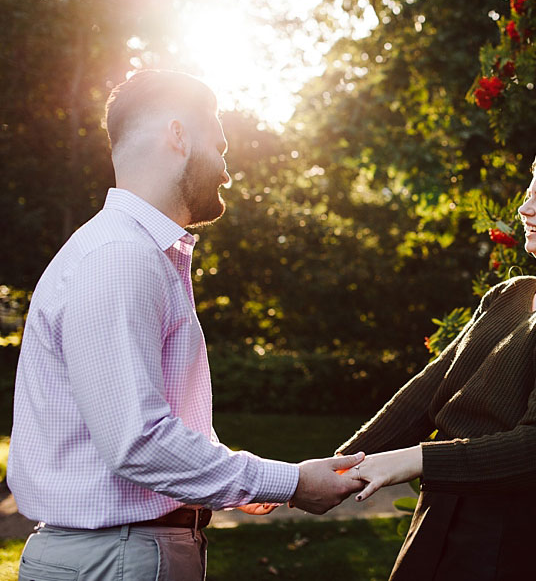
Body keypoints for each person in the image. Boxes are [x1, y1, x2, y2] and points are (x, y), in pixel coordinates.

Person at [7, 70, 364, 581]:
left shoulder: (126, 251)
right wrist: (286, 482)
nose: (226, 171)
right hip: (116, 559)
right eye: (220, 146)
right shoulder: (121, 257)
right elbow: (137, 440)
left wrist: (223, 482)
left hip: (119, 553)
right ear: (178, 135)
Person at [336, 145, 536, 580]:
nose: (523, 208)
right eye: (528, 195)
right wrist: (334, 469)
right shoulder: (508, 295)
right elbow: (425, 394)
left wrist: (413, 461)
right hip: (438, 516)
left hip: (508, 537)